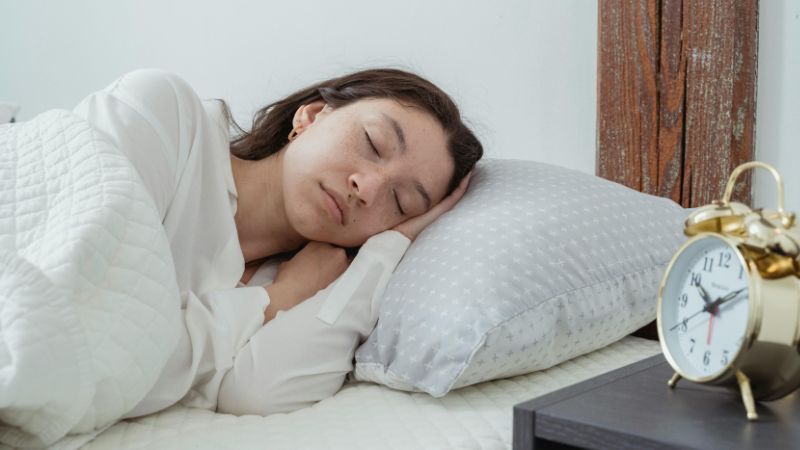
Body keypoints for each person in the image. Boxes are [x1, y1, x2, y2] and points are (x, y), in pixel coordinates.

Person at [73, 68, 483, 417]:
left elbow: (256, 393)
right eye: (373, 144)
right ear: (312, 115)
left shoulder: (300, 282)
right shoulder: (167, 116)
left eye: (401, 202)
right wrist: (275, 299)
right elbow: (85, 330)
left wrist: (382, 255)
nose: (368, 187)